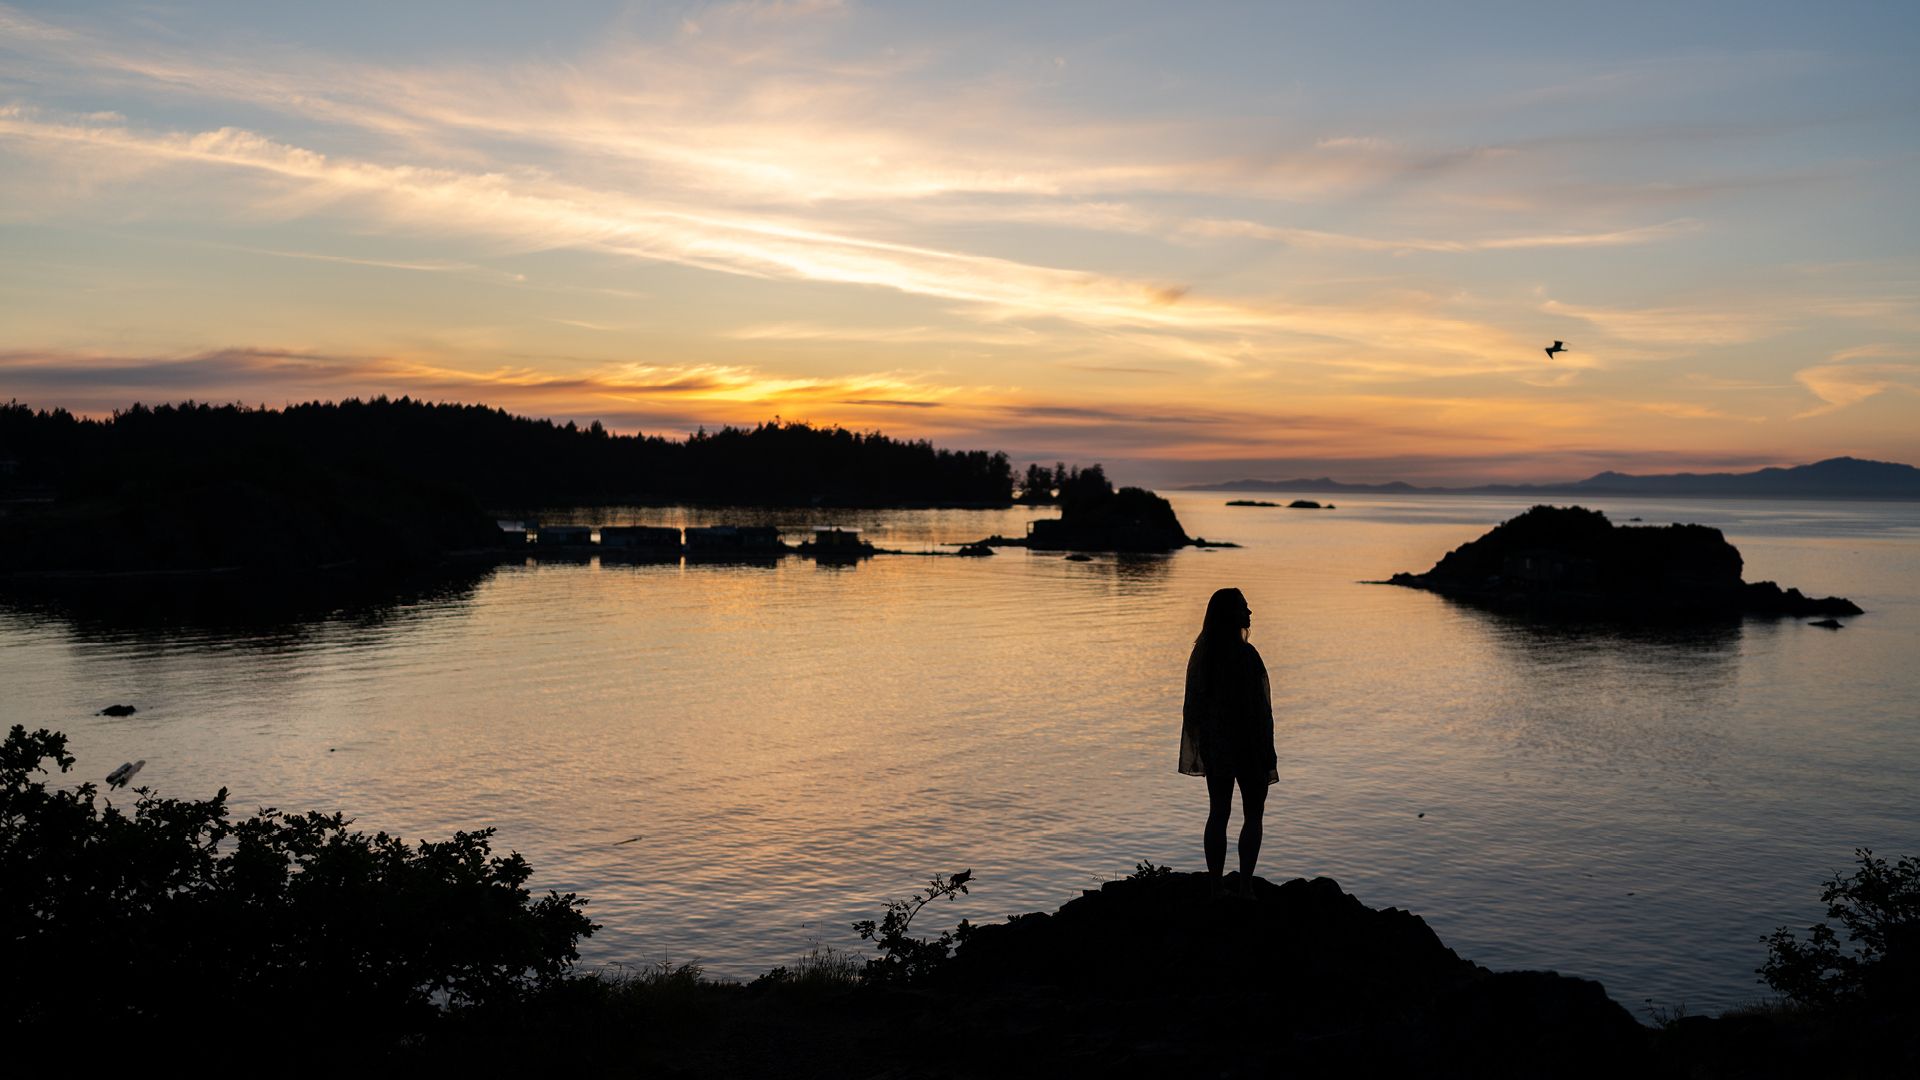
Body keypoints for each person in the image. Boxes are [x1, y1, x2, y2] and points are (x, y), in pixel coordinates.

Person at [1179, 587, 1277, 897]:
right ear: (1230, 614)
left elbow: (1193, 709)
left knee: (1218, 812)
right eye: (1244, 608)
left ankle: (1214, 885)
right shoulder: (1246, 655)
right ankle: (1245, 886)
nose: (1250, 613)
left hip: (1217, 746)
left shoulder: (1203, 655)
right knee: (1253, 815)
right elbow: (1261, 710)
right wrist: (1267, 751)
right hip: (1248, 745)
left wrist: (1203, 745)